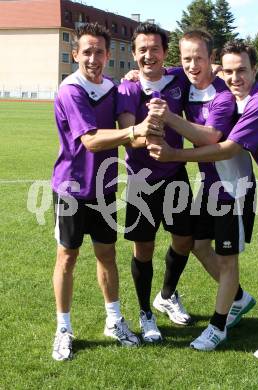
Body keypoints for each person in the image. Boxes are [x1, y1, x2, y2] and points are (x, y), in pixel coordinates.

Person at [148, 40, 258, 390]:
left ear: (254, 70)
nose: (234, 76)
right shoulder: (235, 96)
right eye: (227, 71)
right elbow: (189, 70)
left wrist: (172, 155)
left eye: (241, 69)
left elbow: (226, 147)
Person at [51, 22, 163, 360]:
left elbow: (133, 126)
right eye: (87, 51)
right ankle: (64, 328)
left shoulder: (113, 88)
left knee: (107, 256)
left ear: (107, 54)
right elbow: (91, 139)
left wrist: (155, 127)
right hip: (71, 188)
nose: (94, 58)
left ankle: (114, 321)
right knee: (67, 257)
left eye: (100, 51)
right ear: (75, 54)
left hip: (103, 189)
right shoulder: (71, 90)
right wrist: (135, 130)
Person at [147, 29, 256, 351]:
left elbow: (210, 137)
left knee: (227, 260)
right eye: (186, 59)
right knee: (196, 243)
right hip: (210, 186)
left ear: (212, 61)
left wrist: (168, 118)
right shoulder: (183, 81)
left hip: (233, 188)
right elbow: (164, 72)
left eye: (199, 58)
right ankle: (238, 298)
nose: (193, 65)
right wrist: (139, 72)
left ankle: (218, 326)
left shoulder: (223, 94)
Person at [117, 22, 194, 343]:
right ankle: (146, 314)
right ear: (134, 54)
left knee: (184, 240)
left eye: (155, 49)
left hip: (175, 172)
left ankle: (166, 295)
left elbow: (200, 70)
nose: (149, 55)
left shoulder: (179, 80)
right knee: (144, 248)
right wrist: (147, 129)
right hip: (141, 181)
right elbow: (127, 135)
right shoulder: (127, 88)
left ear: (165, 52)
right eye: (142, 50)